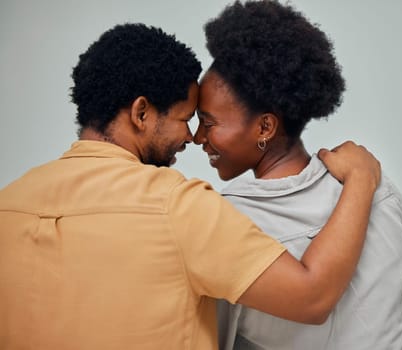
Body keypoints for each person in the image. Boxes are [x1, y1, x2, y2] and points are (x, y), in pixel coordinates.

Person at [0, 23, 381, 350]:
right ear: (142, 113)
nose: (191, 137)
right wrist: (362, 179)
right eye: (185, 118)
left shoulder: (8, 205)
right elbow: (312, 298)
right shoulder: (176, 206)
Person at [195, 2, 402, 349]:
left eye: (208, 123)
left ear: (265, 126)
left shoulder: (227, 223)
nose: (198, 137)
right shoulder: (378, 188)